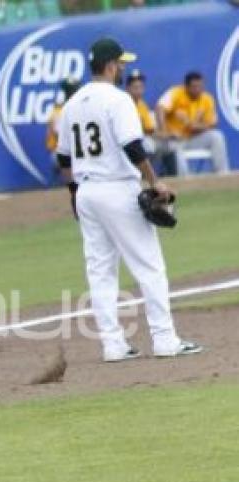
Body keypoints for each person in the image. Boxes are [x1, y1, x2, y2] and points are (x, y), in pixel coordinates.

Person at [55, 38, 202, 362]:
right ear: (109, 66)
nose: (122, 68)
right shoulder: (117, 99)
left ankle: (113, 345)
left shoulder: (73, 103)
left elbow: (63, 157)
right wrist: (155, 181)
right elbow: (132, 146)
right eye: (120, 63)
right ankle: (165, 340)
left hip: (87, 192)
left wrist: (74, 194)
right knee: (149, 265)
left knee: (100, 271)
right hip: (117, 187)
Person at [156, 71, 230, 175]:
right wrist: (164, 131)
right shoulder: (176, 93)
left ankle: (222, 175)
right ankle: (185, 181)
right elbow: (160, 108)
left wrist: (191, 124)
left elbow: (211, 124)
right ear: (186, 86)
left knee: (217, 136)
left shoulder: (207, 99)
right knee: (174, 146)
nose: (198, 89)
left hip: (193, 138)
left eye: (200, 86)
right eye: (194, 87)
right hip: (175, 140)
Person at [46, 76, 80, 168]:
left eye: (74, 90)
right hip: (63, 153)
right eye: (71, 91)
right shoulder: (59, 110)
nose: (73, 93)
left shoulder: (80, 107)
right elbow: (59, 134)